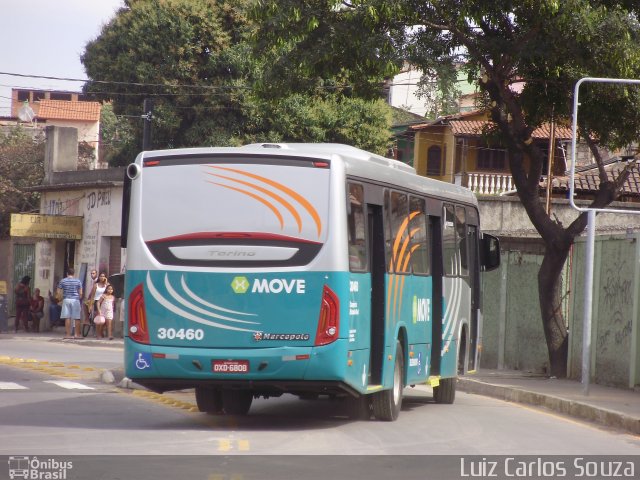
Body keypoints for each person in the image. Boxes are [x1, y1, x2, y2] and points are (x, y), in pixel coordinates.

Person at [57, 267, 83, 339]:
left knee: (67, 317)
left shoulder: (63, 281)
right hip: (75, 300)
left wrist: (60, 299)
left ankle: (68, 335)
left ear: (67, 273)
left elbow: (58, 292)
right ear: (74, 273)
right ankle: (77, 335)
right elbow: (81, 293)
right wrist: (79, 298)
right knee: (77, 317)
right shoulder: (78, 281)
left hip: (66, 299)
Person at [89, 272, 109, 338]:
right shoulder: (96, 285)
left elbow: (109, 291)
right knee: (99, 319)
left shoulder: (107, 285)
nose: (102, 277)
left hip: (105, 302)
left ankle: (101, 332)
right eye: (101, 276)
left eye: (103, 276)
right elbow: (92, 295)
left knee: (104, 319)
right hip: (97, 302)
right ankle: (98, 334)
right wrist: (90, 305)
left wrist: (106, 283)